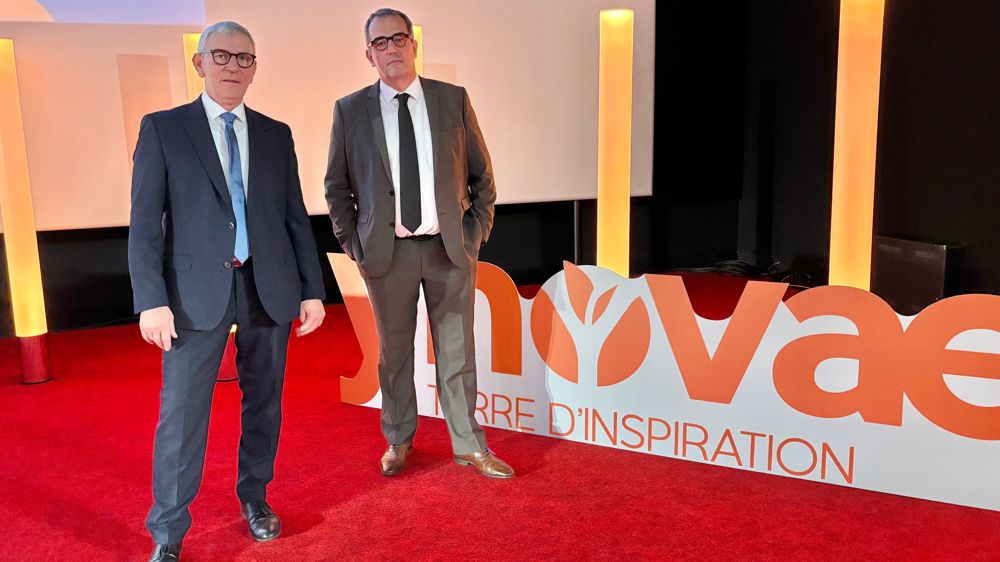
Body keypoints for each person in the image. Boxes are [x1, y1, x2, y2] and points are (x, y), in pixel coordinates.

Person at [128, 21, 326, 562]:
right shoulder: (164, 128)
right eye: (221, 55)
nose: (233, 67)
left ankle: (255, 498)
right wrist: (151, 299)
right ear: (199, 63)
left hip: (268, 286)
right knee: (182, 414)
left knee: (265, 403)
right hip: (191, 294)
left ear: (255, 68)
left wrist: (311, 289)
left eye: (244, 58)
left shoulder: (275, 134)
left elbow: (293, 216)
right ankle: (168, 531)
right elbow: (144, 224)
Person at [325, 8, 513, 479]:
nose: (391, 48)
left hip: (449, 249)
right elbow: (337, 188)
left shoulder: (452, 99)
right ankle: (399, 438)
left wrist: (474, 234)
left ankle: (468, 444)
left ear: (414, 44)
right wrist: (356, 245)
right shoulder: (350, 110)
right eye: (380, 43)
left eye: (398, 39)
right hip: (387, 254)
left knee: (457, 352)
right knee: (394, 354)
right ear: (368, 55)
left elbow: (482, 176)